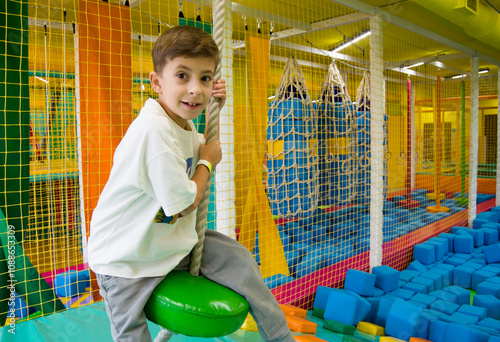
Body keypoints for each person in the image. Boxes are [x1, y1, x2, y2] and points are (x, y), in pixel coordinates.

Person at [87, 25, 294, 342]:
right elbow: (187, 197)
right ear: (157, 82)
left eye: (205, 78)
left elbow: (208, 147)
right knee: (131, 333)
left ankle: (280, 336)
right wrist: (206, 162)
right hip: (127, 257)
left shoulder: (181, 126)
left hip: (165, 235)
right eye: (182, 76)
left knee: (239, 259)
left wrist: (216, 110)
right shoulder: (153, 132)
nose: (196, 89)